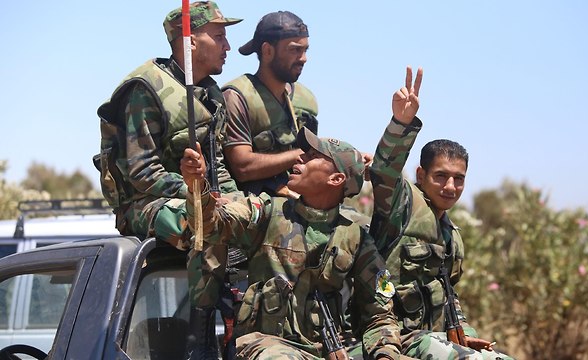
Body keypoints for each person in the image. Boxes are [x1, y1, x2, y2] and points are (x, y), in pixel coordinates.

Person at [95, 2, 241, 358]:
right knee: (202, 226)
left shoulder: (209, 93)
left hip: (199, 197)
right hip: (144, 205)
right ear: (189, 42)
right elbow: (143, 173)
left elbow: (218, 165)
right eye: (219, 36)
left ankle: (248, 328)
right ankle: (199, 341)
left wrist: (239, 205)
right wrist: (197, 192)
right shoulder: (146, 88)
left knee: (257, 220)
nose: (228, 47)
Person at [180, 128, 403, 359]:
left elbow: (380, 315)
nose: (300, 157)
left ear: (336, 179)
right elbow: (211, 226)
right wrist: (198, 187)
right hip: (265, 346)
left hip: (328, 350)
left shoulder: (356, 238)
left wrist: (385, 354)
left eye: (313, 156)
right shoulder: (267, 212)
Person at [368, 66, 515, 359]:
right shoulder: (402, 205)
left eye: (458, 179)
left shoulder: (451, 236)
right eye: (441, 176)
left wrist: (465, 334)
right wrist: (401, 123)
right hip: (389, 337)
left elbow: (448, 295)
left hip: (430, 337)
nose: (450, 186)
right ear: (421, 175)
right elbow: (383, 171)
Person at [221, 11, 318, 198]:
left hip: (298, 201)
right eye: (294, 50)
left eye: (305, 50)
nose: (303, 58)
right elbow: (242, 166)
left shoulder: (305, 100)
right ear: (267, 51)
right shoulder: (238, 96)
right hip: (254, 205)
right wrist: (302, 153)